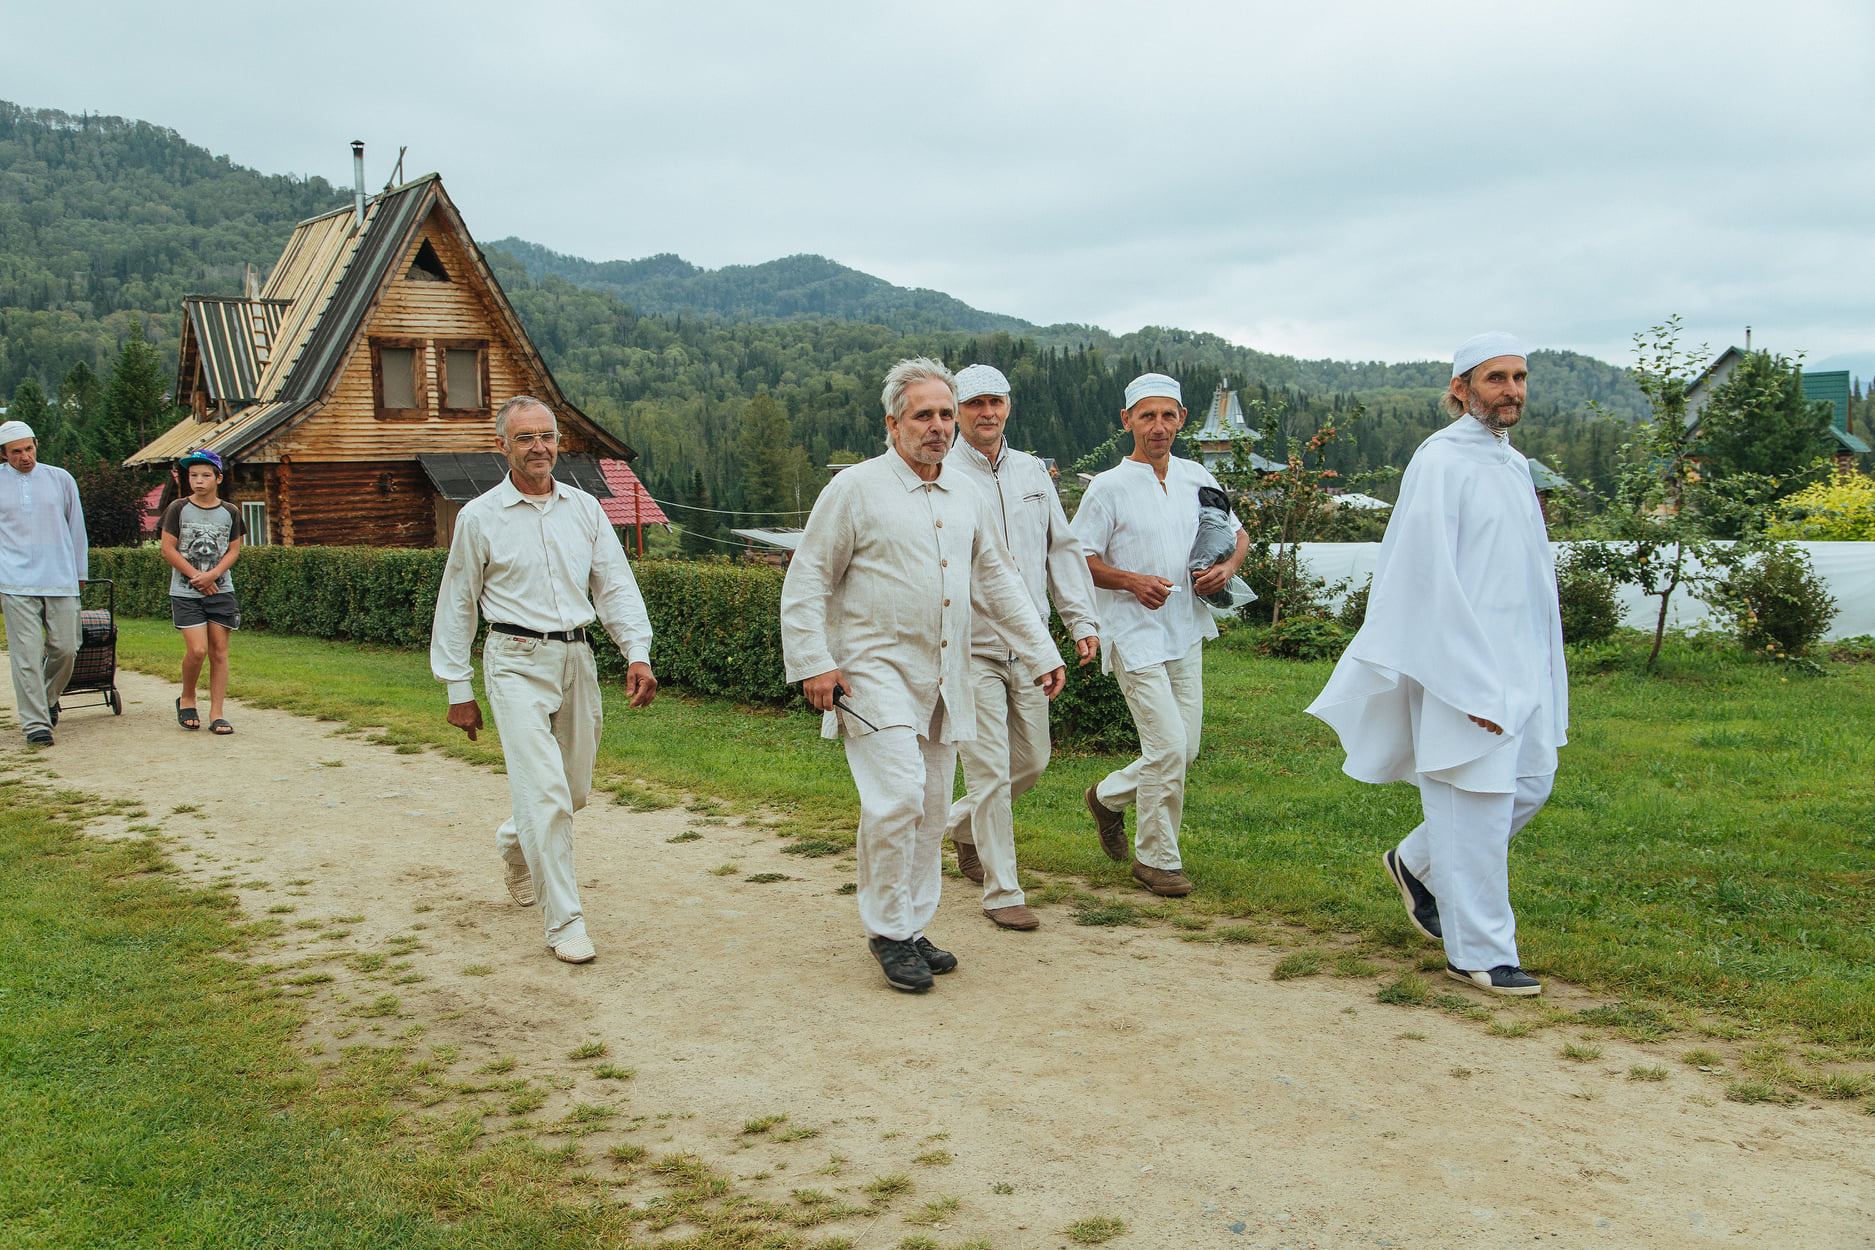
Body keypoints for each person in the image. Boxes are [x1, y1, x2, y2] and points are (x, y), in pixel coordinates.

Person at [781, 357, 1066, 992]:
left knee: (934, 805)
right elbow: (807, 578)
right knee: (898, 797)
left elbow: (997, 578)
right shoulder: (854, 489)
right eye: (923, 415)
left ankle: (910, 924)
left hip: (946, 674)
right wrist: (812, 662)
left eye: (945, 414)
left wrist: (1043, 650)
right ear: (893, 422)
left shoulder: (965, 492)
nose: (938, 427)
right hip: (871, 671)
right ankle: (886, 931)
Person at [1306, 332, 1566, 997]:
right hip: (1463, 669)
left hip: (1523, 667)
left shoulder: (1512, 463)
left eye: (1518, 377)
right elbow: (1422, 578)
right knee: (1474, 806)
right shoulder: (1440, 461)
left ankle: (1416, 863)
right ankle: (1477, 953)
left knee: (1529, 783)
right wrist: (1465, 682)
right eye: (1495, 379)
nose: (1511, 390)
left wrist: (1541, 663)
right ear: (1459, 390)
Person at [431, 395, 658, 965]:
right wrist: (458, 689)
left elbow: (613, 585)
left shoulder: (585, 509)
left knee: (571, 792)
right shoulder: (479, 518)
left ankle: (515, 841)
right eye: (526, 437)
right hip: (513, 659)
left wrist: (637, 652)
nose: (539, 447)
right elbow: (456, 604)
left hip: (577, 659)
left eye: (548, 436)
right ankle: (565, 922)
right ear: (502, 446)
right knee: (548, 794)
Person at [1072, 373, 1247, 897]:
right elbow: (1077, 557)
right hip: (1133, 632)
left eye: (1168, 415)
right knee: (1168, 744)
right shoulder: (1107, 487)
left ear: (1182, 420)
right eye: (1147, 415)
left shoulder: (1196, 476)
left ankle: (1106, 797)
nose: (1158, 426)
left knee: (1183, 749)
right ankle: (1155, 859)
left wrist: (1229, 568)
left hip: (1186, 628)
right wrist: (1130, 582)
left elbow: (1235, 534)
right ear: (1126, 421)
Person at [942, 364, 1100, 930]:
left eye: (997, 402)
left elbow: (1063, 549)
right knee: (987, 772)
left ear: (1009, 405)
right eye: (974, 403)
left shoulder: (1034, 471)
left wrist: (1081, 621)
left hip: (1030, 647)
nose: (987, 413)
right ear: (957, 411)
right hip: (970, 647)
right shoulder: (942, 475)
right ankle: (1002, 890)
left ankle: (956, 826)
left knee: (1031, 762)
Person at [0, 419, 86, 747]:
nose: (25, 456)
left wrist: (80, 573)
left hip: (60, 576)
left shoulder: (60, 479)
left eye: (29, 448)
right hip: (13, 580)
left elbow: (76, 528)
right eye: (16, 452)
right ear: (4, 455)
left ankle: (48, 697)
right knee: (26, 653)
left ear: (36, 444)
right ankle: (36, 724)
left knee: (66, 648)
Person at [159, 450, 246, 734]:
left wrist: (213, 575)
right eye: (193, 475)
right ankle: (188, 697)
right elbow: (167, 549)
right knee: (197, 650)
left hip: (221, 591)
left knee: (219, 652)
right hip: (185, 592)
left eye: (205, 475)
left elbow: (233, 551)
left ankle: (217, 713)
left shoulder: (230, 512)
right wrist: (197, 577)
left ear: (218, 478)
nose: (198, 481)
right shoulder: (178, 508)